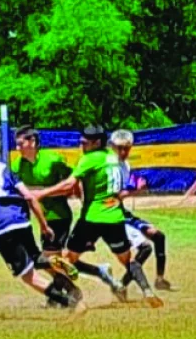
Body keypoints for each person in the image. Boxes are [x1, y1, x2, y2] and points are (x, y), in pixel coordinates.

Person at [36, 125, 163, 308]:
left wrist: (41, 194)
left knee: (65, 258)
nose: (81, 145)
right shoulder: (114, 159)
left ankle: (55, 299)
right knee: (128, 260)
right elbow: (118, 191)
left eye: (85, 142)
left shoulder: (90, 159)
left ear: (96, 142)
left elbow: (69, 185)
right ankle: (147, 290)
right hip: (115, 218)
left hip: (91, 218)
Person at [0, 139, 84, 313]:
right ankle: (56, 266)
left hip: (0, 225)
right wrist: (44, 225)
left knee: (28, 276)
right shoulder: (2, 167)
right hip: (21, 218)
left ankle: (71, 303)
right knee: (37, 258)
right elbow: (29, 197)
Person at [11, 125, 120, 302]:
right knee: (58, 260)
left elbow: (72, 185)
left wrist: (49, 193)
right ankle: (98, 272)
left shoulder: (53, 160)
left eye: (19, 143)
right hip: (41, 218)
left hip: (59, 216)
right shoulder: (17, 166)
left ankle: (63, 294)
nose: (17, 148)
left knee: (47, 259)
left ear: (32, 142)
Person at [110, 129, 176, 291]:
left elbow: (124, 190)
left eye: (127, 148)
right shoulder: (111, 166)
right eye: (120, 148)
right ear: (112, 147)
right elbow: (113, 198)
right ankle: (121, 286)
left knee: (159, 236)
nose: (124, 152)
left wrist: (135, 184)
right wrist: (136, 190)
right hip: (112, 215)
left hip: (122, 212)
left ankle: (160, 279)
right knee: (145, 248)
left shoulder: (125, 164)